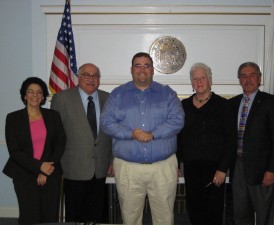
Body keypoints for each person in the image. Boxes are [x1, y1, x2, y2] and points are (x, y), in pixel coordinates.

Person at [101, 52, 184, 225]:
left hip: (163, 167)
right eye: (138, 65)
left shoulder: (167, 94)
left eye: (146, 65)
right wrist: (131, 133)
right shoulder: (117, 94)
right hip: (128, 168)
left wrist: (153, 134)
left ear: (153, 70)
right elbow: (106, 123)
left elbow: (177, 120)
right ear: (131, 70)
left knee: (164, 219)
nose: (142, 69)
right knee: (130, 218)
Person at [50, 63, 112, 223]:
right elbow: (55, 135)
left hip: (101, 167)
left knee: (99, 214)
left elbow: (113, 133)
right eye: (86, 75)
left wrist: (112, 159)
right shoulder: (62, 99)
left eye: (95, 76)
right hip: (72, 167)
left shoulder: (108, 98)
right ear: (79, 77)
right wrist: (57, 164)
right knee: (75, 215)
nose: (91, 79)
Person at [226, 62, 274, 225]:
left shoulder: (270, 102)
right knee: (240, 214)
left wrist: (272, 169)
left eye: (252, 75)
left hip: (262, 170)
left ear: (259, 78)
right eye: (243, 76)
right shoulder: (232, 104)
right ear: (239, 80)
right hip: (237, 167)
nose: (248, 79)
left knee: (263, 215)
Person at [3, 77, 66, 225]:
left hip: (50, 173)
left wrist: (46, 170)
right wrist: (39, 167)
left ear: (43, 96)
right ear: (24, 95)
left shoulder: (53, 116)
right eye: (30, 92)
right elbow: (15, 151)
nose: (34, 95)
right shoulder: (13, 118)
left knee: (50, 216)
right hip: (24, 174)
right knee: (29, 216)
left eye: (39, 92)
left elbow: (60, 142)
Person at [177, 62, 231, 225]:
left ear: (210, 80)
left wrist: (223, 168)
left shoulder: (223, 105)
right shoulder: (183, 105)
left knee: (213, 211)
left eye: (202, 78)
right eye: (195, 79)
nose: (199, 82)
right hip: (191, 166)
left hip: (215, 167)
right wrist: (178, 163)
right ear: (191, 83)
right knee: (194, 209)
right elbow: (178, 136)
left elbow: (230, 139)